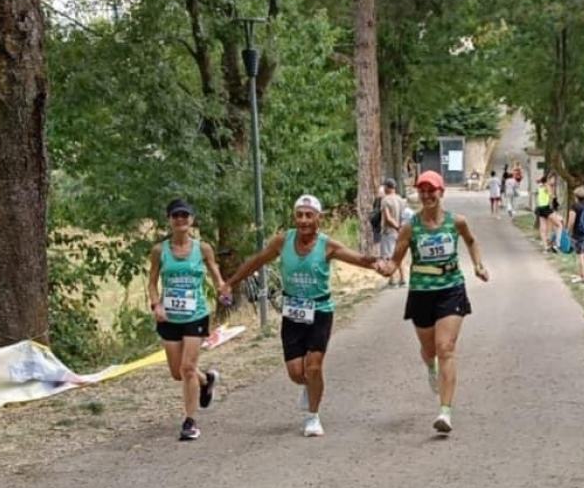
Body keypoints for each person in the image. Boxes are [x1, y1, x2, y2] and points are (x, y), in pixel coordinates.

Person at [221, 194, 382, 438]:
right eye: (299, 215)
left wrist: (379, 264)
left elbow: (358, 258)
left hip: (320, 311)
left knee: (314, 367)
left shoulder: (327, 245)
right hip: (293, 312)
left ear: (319, 218)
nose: (304, 220)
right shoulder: (282, 241)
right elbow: (257, 261)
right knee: (297, 373)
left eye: (309, 215)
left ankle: (312, 417)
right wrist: (230, 282)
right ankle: (309, 387)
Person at [378, 170, 489, 434]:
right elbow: (396, 258)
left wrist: (478, 265)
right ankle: (430, 366)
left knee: (445, 347)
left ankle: (445, 413)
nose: (427, 195)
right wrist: (387, 268)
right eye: (422, 190)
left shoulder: (456, 222)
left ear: (442, 192)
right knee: (430, 350)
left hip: (451, 288)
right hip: (421, 293)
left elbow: (472, 242)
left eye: (432, 190)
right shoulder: (410, 226)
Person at [148, 198, 227, 441]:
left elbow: (216, 275)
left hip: (196, 314)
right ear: (169, 220)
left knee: (187, 367)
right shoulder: (159, 251)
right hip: (169, 317)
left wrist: (223, 290)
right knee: (177, 372)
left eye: (185, 215)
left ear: (192, 220)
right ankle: (206, 381)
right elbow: (152, 283)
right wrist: (156, 304)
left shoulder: (203, 248)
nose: (181, 219)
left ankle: (190, 422)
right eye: (176, 216)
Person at [380, 178, 405, 287]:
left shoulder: (385, 200)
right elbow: (405, 215)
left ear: (386, 187)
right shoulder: (401, 199)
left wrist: (396, 227)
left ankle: (392, 280)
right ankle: (403, 279)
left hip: (389, 231)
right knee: (399, 255)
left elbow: (388, 218)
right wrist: (401, 228)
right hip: (400, 232)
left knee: (389, 256)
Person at [534, 175, 555, 251]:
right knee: (550, 227)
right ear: (548, 180)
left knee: (543, 228)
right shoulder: (547, 186)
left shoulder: (540, 186)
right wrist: (552, 193)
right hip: (546, 207)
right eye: (552, 179)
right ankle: (549, 243)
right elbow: (551, 196)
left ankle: (545, 246)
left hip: (540, 207)